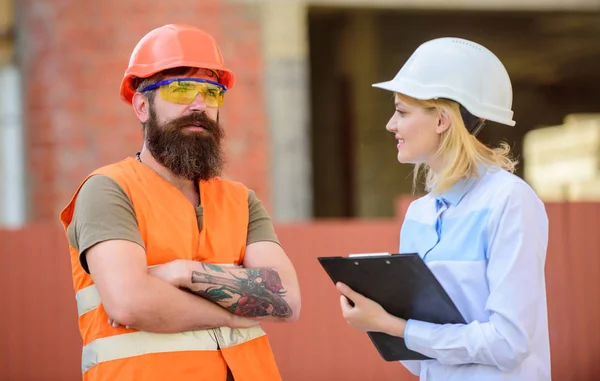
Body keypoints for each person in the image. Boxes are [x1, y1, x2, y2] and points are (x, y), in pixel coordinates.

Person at [59, 24, 301, 381]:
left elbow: (286, 300)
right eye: (181, 89)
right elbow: (130, 302)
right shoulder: (109, 190)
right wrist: (231, 314)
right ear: (142, 105)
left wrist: (180, 272)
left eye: (212, 93)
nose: (199, 104)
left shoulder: (240, 200)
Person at [335, 37, 551, 380]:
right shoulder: (419, 213)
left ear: (441, 121)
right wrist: (380, 320)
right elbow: (422, 360)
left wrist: (395, 326)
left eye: (402, 112)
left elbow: (510, 343)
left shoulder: (509, 201)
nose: (391, 124)